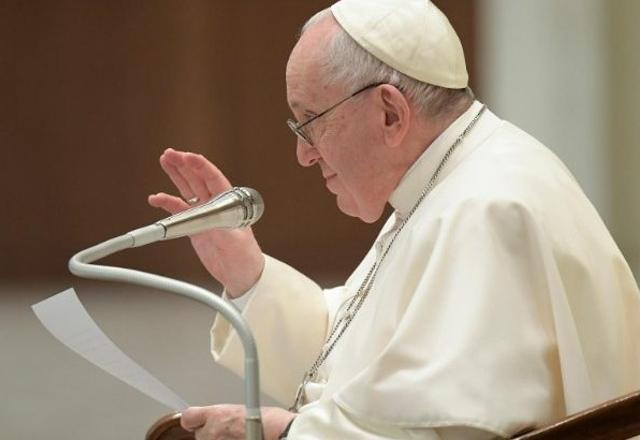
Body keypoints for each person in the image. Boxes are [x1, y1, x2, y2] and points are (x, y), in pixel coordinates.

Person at [148, 1, 640, 439]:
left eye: (310, 121)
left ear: (389, 113)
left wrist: (285, 433)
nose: (303, 154)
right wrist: (247, 274)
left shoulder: (484, 209)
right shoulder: (448, 181)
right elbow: (355, 351)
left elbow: (446, 429)